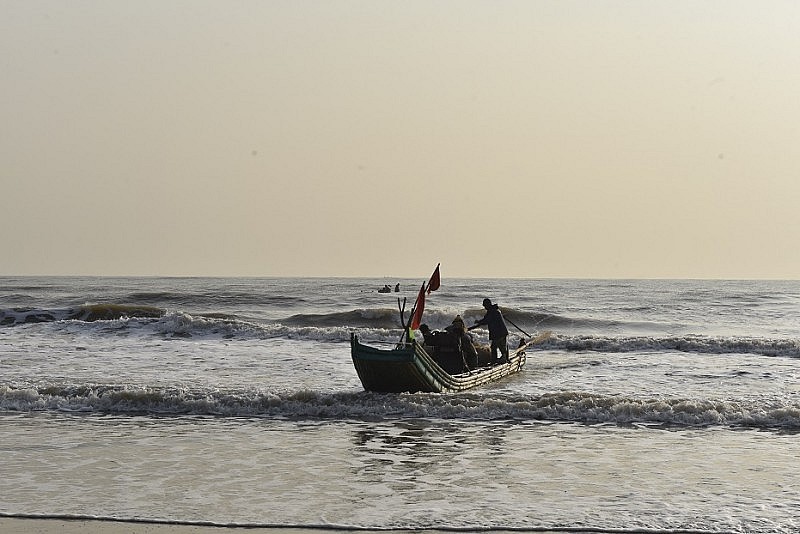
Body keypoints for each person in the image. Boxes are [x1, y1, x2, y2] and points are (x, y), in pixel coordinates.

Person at [470, 298, 509, 364]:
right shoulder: (494, 310)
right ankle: (500, 359)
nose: (485, 307)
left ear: (488, 304)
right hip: (500, 333)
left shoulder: (493, 312)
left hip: (499, 333)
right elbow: (486, 319)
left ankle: (496, 361)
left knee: (495, 347)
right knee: (499, 347)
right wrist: (479, 322)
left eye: (485, 306)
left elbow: (486, 320)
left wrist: (479, 322)